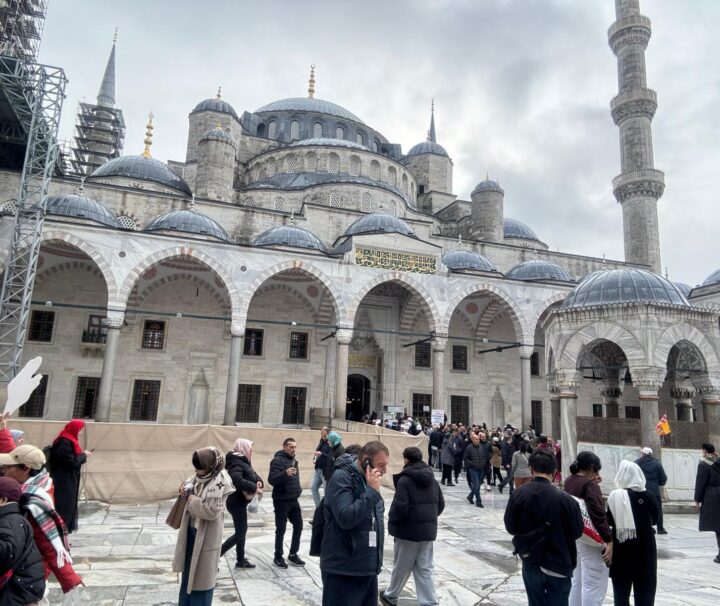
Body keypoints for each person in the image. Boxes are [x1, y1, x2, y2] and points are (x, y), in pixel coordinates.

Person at [0, 444, 83, 598]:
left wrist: (69, 577)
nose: (3, 470)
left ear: (25, 468)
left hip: (25, 576)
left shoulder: (33, 503)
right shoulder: (38, 484)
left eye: (8, 467)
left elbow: (48, 542)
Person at [504, 449, 583, 606]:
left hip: (531, 559)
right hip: (559, 562)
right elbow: (577, 531)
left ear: (531, 469)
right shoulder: (568, 500)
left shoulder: (519, 494)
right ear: (554, 470)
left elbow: (511, 527)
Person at [320, 440, 388, 606]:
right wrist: (371, 492)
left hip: (367, 567)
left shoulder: (367, 479)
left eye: (386, 465)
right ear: (366, 460)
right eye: (381, 465)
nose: (384, 471)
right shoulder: (341, 477)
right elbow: (346, 518)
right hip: (344, 570)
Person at [380, 447, 444, 606]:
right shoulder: (432, 480)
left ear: (406, 459)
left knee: (402, 566)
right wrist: (427, 518)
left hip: (407, 532)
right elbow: (441, 504)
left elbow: (399, 507)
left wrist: (393, 520)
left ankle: (391, 596)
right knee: (425, 568)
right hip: (427, 532)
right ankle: (429, 602)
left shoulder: (405, 480)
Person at [172, 446, 234, 606]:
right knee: (188, 575)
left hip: (206, 537)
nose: (197, 472)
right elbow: (192, 481)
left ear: (210, 465)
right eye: (196, 468)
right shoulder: (202, 474)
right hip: (191, 532)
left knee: (202, 580)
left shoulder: (221, 481)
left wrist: (191, 499)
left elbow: (212, 511)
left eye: (200, 469)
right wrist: (184, 487)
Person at [606, 460, 658, 606]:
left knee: (621, 591)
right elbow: (655, 519)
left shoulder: (614, 496)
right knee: (645, 589)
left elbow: (609, 520)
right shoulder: (648, 496)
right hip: (644, 547)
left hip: (622, 547)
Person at [564, 452, 613, 606]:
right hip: (592, 539)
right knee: (593, 583)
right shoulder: (590, 485)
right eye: (596, 470)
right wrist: (609, 540)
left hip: (577, 536)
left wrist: (592, 484)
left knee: (577, 581)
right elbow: (598, 515)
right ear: (591, 467)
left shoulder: (569, 480)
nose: (597, 474)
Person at [0, 475, 46, 605]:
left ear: (3, 500)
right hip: (17, 592)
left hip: (16, 593)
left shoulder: (11, 521)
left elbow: (8, 552)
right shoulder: (10, 519)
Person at [221, 438, 263, 569]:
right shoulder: (237, 462)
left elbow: (252, 473)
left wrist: (259, 481)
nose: (251, 452)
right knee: (240, 533)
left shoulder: (243, 460)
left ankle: (240, 560)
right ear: (243, 449)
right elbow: (236, 479)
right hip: (236, 502)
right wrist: (254, 487)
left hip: (239, 502)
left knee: (241, 531)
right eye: (250, 449)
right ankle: (215, 556)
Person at [49, 419, 93, 533]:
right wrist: (84, 456)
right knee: (64, 505)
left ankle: (65, 529)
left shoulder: (69, 440)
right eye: (80, 430)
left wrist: (82, 455)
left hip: (68, 477)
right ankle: (61, 529)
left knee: (68, 504)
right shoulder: (64, 442)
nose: (80, 432)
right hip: (63, 479)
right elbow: (70, 461)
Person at [267, 437, 304, 568]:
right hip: (281, 500)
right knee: (281, 529)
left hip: (293, 499)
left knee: (299, 525)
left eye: (295, 447)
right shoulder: (277, 460)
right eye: (291, 447)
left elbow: (296, 478)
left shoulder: (294, 460)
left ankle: (293, 554)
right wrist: (285, 473)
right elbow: (271, 479)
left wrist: (298, 490)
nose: (293, 449)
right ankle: (278, 557)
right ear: (284, 447)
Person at [694, 442, 720, 564]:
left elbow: (700, 482)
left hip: (712, 496)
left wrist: (697, 499)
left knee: (718, 526)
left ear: (704, 451)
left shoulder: (704, 464)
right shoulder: (718, 460)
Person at [635, 446, 668, 534]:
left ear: (643, 454)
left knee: (642, 508)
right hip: (654, 491)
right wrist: (658, 483)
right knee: (658, 509)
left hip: (642, 490)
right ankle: (660, 529)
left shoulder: (637, 463)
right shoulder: (657, 464)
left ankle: (645, 528)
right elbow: (663, 478)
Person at [463, 431, 491, 507]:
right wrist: (472, 464)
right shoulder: (469, 448)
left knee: (477, 485)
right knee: (476, 485)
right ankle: (478, 501)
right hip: (473, 469)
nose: (478, 440)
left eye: (478, 439)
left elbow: (484, 457)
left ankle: (470, 496)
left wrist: (483, 463)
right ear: (472, 440)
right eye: (476, 439)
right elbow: (466, 458)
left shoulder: (481, 448)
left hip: (481, 469)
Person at [312, 427, 332, 507]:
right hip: (318, 469)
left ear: (328, 434)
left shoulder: (331, 443)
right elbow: (317, 451)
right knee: (313, 488)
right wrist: (314, 458)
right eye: (321, 434)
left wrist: (321, 454)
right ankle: (319, 508)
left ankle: (326, 510)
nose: (322, 436)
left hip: (325, 471)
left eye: (324, 435)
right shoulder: (321, 441)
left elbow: (331, 457)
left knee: (326, 491)